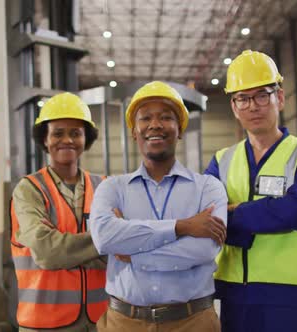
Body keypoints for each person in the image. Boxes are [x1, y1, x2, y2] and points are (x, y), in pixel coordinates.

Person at [206, 50, 297, 332]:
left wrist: (235, 213)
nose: (253, 106)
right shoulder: (221, 160)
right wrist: (270, 212)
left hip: (291, 293)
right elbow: (206, 217)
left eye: (262, 95)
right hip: (236, 293)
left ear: (280, 98)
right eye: (243, 98)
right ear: (234, 107)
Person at [89, 81, 227, 332]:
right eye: (145, 118)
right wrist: (182, 227)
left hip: (193, 322)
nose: (155, 124)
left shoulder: (208, 187)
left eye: (166, 117)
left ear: (179, 129)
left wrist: (132, 252)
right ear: (134, 131)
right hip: (124, 322)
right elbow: (105, 238)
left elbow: (203, 249)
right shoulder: (112, 189)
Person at [10, 92, 108, 332]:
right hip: (44, 322)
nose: (67, 140)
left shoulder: (104, 186)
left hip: (101, 320)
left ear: (86, 139)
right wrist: (108, 241)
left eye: (76, 133)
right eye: (58, 133)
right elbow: (47, 252)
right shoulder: (29, 189)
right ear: (45, 139)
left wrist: (72, 250)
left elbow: (124, 253)